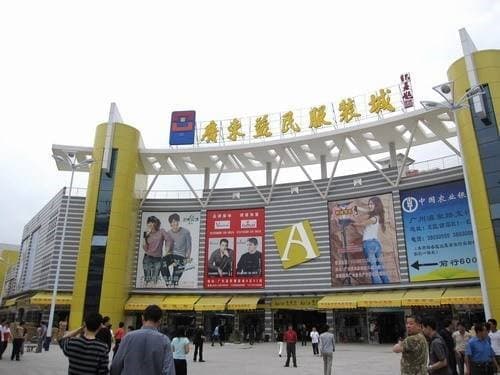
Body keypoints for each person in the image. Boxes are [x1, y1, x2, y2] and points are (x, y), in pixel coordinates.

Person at [110, 304, 175, 375]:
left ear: (142, 318)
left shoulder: (128, 337)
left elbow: (116, 365)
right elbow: (169, 371)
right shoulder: (164, 341)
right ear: (160, 321)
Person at [356, 196, 390, 284]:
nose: (369, 206)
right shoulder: (377, 216)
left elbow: (361, 224)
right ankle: (387, 284)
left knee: (373, 268)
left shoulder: (373, 218)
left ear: (376, 205)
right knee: (380, 267)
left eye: (372, 204)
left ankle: (378, 288)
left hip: (369, 244)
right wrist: (357, 208)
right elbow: (366, 210)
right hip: (376, 244)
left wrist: (353, 222)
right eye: (369, 204)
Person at [142, 215, 173, 286]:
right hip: (147, 258)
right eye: (149, 222)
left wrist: (167, 249)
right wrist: (145, 236)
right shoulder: (146, 233)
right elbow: (145, 248)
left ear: (156, 223)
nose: (150, 224)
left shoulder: (161, 231)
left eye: (152, 222)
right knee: (147, 279)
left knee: (154, 280)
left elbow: (169, 239)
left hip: (158, 259)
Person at [165, 213, 192, 286]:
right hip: (171, 255)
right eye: (172, 222)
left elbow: (189, 246)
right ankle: (168, 280)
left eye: (175, 221)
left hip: (181, 256)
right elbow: (167, 247)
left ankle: (173, 283)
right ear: (170, 224)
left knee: (175, 278)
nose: (174, 223)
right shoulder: (168, 233)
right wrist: (170, 259)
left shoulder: (186, 232)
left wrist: (187, 258)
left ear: (178, 222)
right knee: (162, 263)